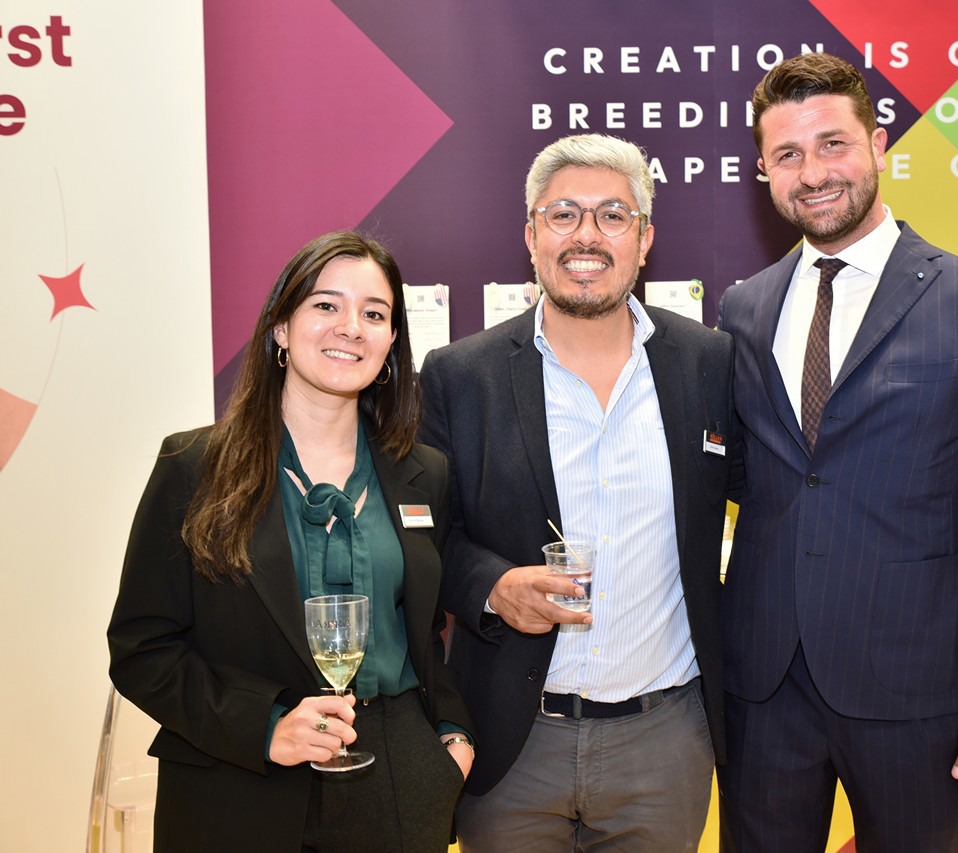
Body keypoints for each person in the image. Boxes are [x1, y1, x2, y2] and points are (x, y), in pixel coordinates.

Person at [715, 52, 958, 852]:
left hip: (920, 690)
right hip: (764, 688)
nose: (813, 173)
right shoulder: (743, 308)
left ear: (878, 145)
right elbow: (742, 473)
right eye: (788, 154)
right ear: (764, 170)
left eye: (832, 144)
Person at [107, 230, 474, 852]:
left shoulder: (424, 473)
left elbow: (426, 631)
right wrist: (265, 725)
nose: (350, 327)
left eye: (374, 314)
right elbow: (142, 650)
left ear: (391, 342)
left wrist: (451, 736)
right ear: (281, 327)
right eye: (326, 305)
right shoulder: (194, 468)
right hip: (239, 783)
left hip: (397, 780)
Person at [418, 133, 734, 851]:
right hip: (511, 741)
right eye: (563, 215)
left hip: (664, 743)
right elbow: (429, 538)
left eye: (612, 215)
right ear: (531, 236)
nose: (586, 236)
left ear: (644, 239)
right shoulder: (459, 375)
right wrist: (494, 588)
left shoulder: (709, 362)